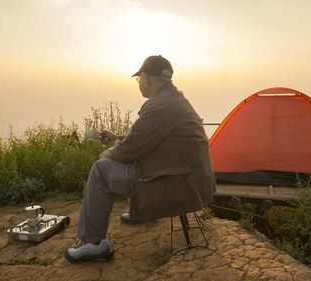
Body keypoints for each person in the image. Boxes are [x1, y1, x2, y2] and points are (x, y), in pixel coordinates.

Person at [64, 55, 216, 262]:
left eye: (139, 78)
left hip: (178, 184)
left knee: (101, 169)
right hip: (188, 178)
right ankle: (143, 212)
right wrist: (118, 139)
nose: (139, 83)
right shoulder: (173, 99)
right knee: (119, 160)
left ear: (147, 77)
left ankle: (95, 244)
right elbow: (146, 140)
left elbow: (128, 152)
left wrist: (110, 152)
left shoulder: (160, 106)